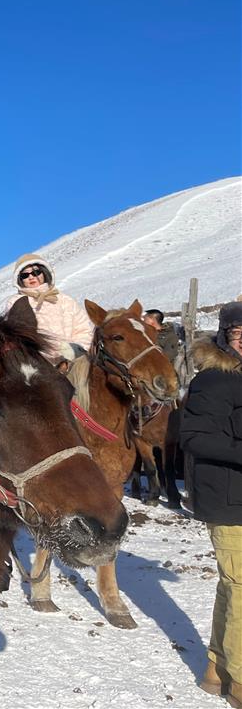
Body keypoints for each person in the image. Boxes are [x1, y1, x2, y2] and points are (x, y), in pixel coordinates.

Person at [181, 301, 242, 707]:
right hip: (229, 497)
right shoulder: (215, 381)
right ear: (226, 336)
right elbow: (195, 437)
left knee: (234, 585)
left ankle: (216, 670)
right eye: (240, 332)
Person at [6, 254, 93, 361]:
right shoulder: (17, 302)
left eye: (36, 272)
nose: (31, 277)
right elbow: (16, 334)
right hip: (39, 364)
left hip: (72, 362)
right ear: (20, 279)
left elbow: (83, 329)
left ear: (44, 273)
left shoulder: (64, 300)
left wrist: (72, 353)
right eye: (25, 275)